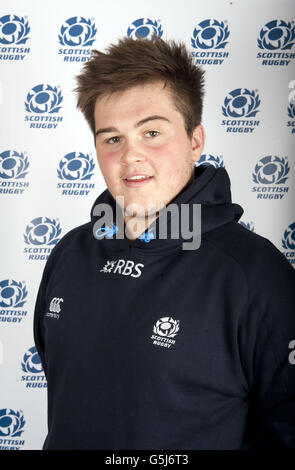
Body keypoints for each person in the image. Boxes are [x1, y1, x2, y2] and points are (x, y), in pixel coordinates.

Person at [34, 35, 295, 450]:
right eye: (112, 138)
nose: (130, 156)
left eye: (151, 132)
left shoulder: (255, 273)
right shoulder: (70, 253)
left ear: (195, 141)